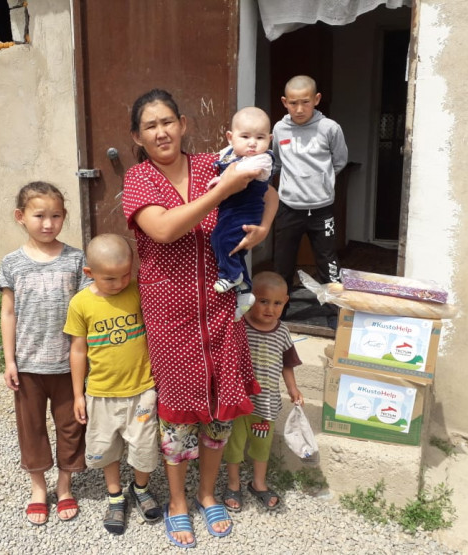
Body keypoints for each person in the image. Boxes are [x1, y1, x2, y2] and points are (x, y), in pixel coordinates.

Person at [122, 89, 278, 549]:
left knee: (219, 409)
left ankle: (207, 494)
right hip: (170, 314)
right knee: (178, 414)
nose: (161, 132)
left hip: (222, 307)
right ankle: (177, 501)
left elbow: (268, 193)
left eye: (168, 121)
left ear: (184, 124)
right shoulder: (139, 179)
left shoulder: (216, 162)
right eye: (150, 126)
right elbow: (165, 229)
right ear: (138, 137)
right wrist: (223, 191)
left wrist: (264, 227)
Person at [0, 181, 89, 526]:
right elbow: (8, 312)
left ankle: (64, 486)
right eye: (39, 216)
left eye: (56, 216)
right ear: (20, 216)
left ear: (64, 216)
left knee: (71, 426)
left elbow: (86, 312)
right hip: (28, 364)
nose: (48, 224)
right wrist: (10, 360)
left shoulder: (76, 259)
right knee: (31, 428)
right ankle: (38, 488)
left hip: (68, 365)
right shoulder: (12, 263)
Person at [64, 233, 162, 535]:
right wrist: (78, 394)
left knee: (145, 446)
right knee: (107, 447)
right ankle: (115, 495)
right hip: (101, 393)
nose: (119, 283)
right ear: (89, 273)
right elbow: (78, 350)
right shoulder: (80, 303)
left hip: (142, 391)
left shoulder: (138, 292)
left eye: (124, 275)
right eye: (109, 278)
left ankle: (140, 488)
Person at [222, 271, 303, 512]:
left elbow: (287, 364)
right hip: (239, 402)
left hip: (266, 404)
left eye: (277, 303)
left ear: (286, 302)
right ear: (250, 298)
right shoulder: (240, 325)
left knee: (261, 446)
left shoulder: (282, 332)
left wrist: (293, 388)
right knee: (234, 445)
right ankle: (233, 483)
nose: (270, 309)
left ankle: (258, 483)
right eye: (263, 301)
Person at [272, 75, 348, 321]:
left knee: (328, 263)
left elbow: (339, 161)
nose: (299, 109)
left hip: (321, 210)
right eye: (293, 103)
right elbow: (277, 163)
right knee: (282, 264)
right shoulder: (279, 129)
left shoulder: (330, 128)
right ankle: (278, 316)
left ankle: (336, 315)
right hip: (288, 208)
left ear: (316, 99)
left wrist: (321, 182)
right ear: (284, 102)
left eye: (305, 102)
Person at [208, 107, 275, 321]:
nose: (252, 143)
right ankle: (245, 291)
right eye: (245, 137)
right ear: (230, 137)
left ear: (270, 140)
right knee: (234, 251)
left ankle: (231, 275)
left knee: (221, 239)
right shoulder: (229, 153)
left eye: (260, 137)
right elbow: (220, 160)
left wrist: (221, 181)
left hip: (245, 211)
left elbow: (244, 173)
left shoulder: (262, 159)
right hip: (230, 210)